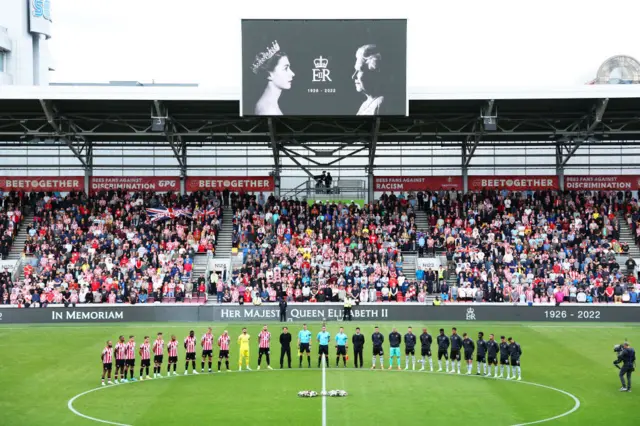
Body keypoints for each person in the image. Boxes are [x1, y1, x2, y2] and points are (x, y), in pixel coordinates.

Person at [252, 41, 295, 115]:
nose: (292, 74)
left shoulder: (269, 104)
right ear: (269, 75)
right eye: (285, 68)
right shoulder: (268, 110)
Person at [352, 44, 385, 115]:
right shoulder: (365, 104)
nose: (353, 76)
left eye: (360, 70)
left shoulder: (380, 103)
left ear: (373, 74)